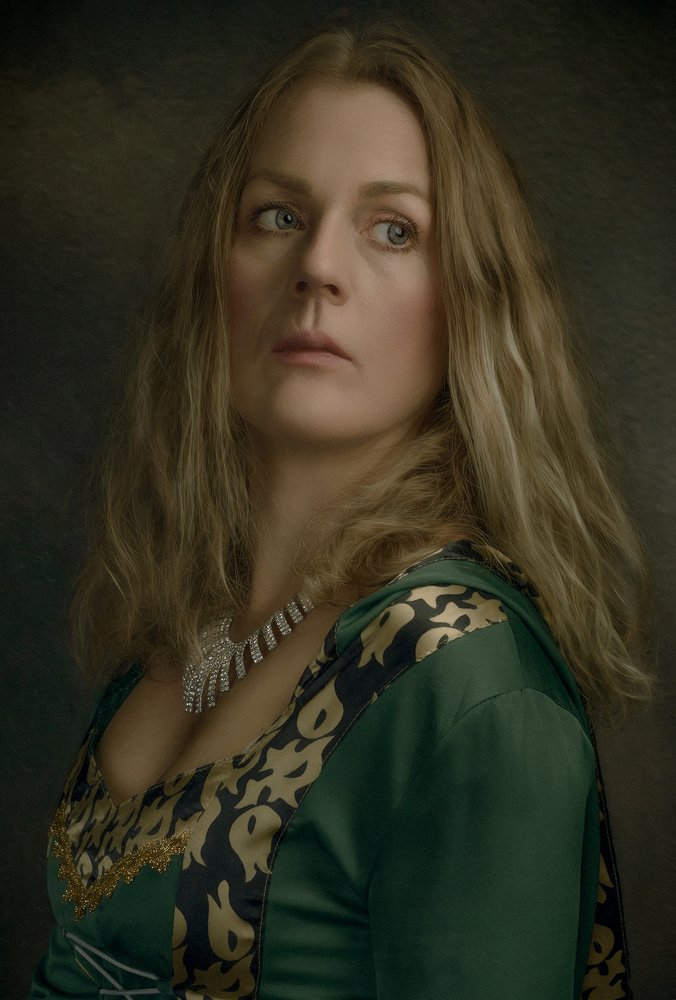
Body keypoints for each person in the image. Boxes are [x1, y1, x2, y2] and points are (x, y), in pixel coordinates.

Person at [31, 24, 651, 1000]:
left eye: (393, 229)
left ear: (469, 302)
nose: (318, 265)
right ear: (214, 275)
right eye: (277, 215)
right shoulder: (194, 618)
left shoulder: (470, 689)